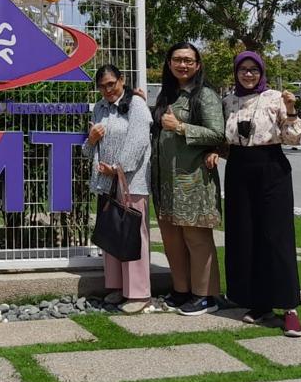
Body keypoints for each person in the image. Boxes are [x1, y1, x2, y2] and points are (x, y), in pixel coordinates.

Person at [215, 50, 301, 337]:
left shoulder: (275, 98)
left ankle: (289, 308)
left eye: (254, 69)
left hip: (271, 167)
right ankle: (258, 302)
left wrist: (291, 110)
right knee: (245, 236)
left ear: (261, 72)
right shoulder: (228, 101)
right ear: (236, 72)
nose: (248, 74)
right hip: (239, 169)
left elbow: (294, 139)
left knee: (276, 237)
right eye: (243, 69)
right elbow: (223, 137)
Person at [150, 41, 226, 315]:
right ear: (169, 63)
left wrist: (180, 127)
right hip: (165, 182)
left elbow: (218, 133)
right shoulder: (167, 95)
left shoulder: (205, 95)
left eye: (188, 60)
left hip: (193, 180)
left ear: (197, 65)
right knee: (172, 239)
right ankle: (181, 289)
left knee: (197, 239)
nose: (182, 65)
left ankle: (205, 295)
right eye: (177, 60)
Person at [83, 64, 153, 314]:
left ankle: (139, 293)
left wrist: (117, 168)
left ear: (122, 80)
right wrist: (91, 139)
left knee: (133, 233)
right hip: (105, 182)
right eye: (102, 86)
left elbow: (138, 141)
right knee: (112, 233)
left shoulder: (137, 105)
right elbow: (88, 150)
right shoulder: (99, 108)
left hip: (131, 181)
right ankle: (118, 287)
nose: (107, 90)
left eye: (111, 84)